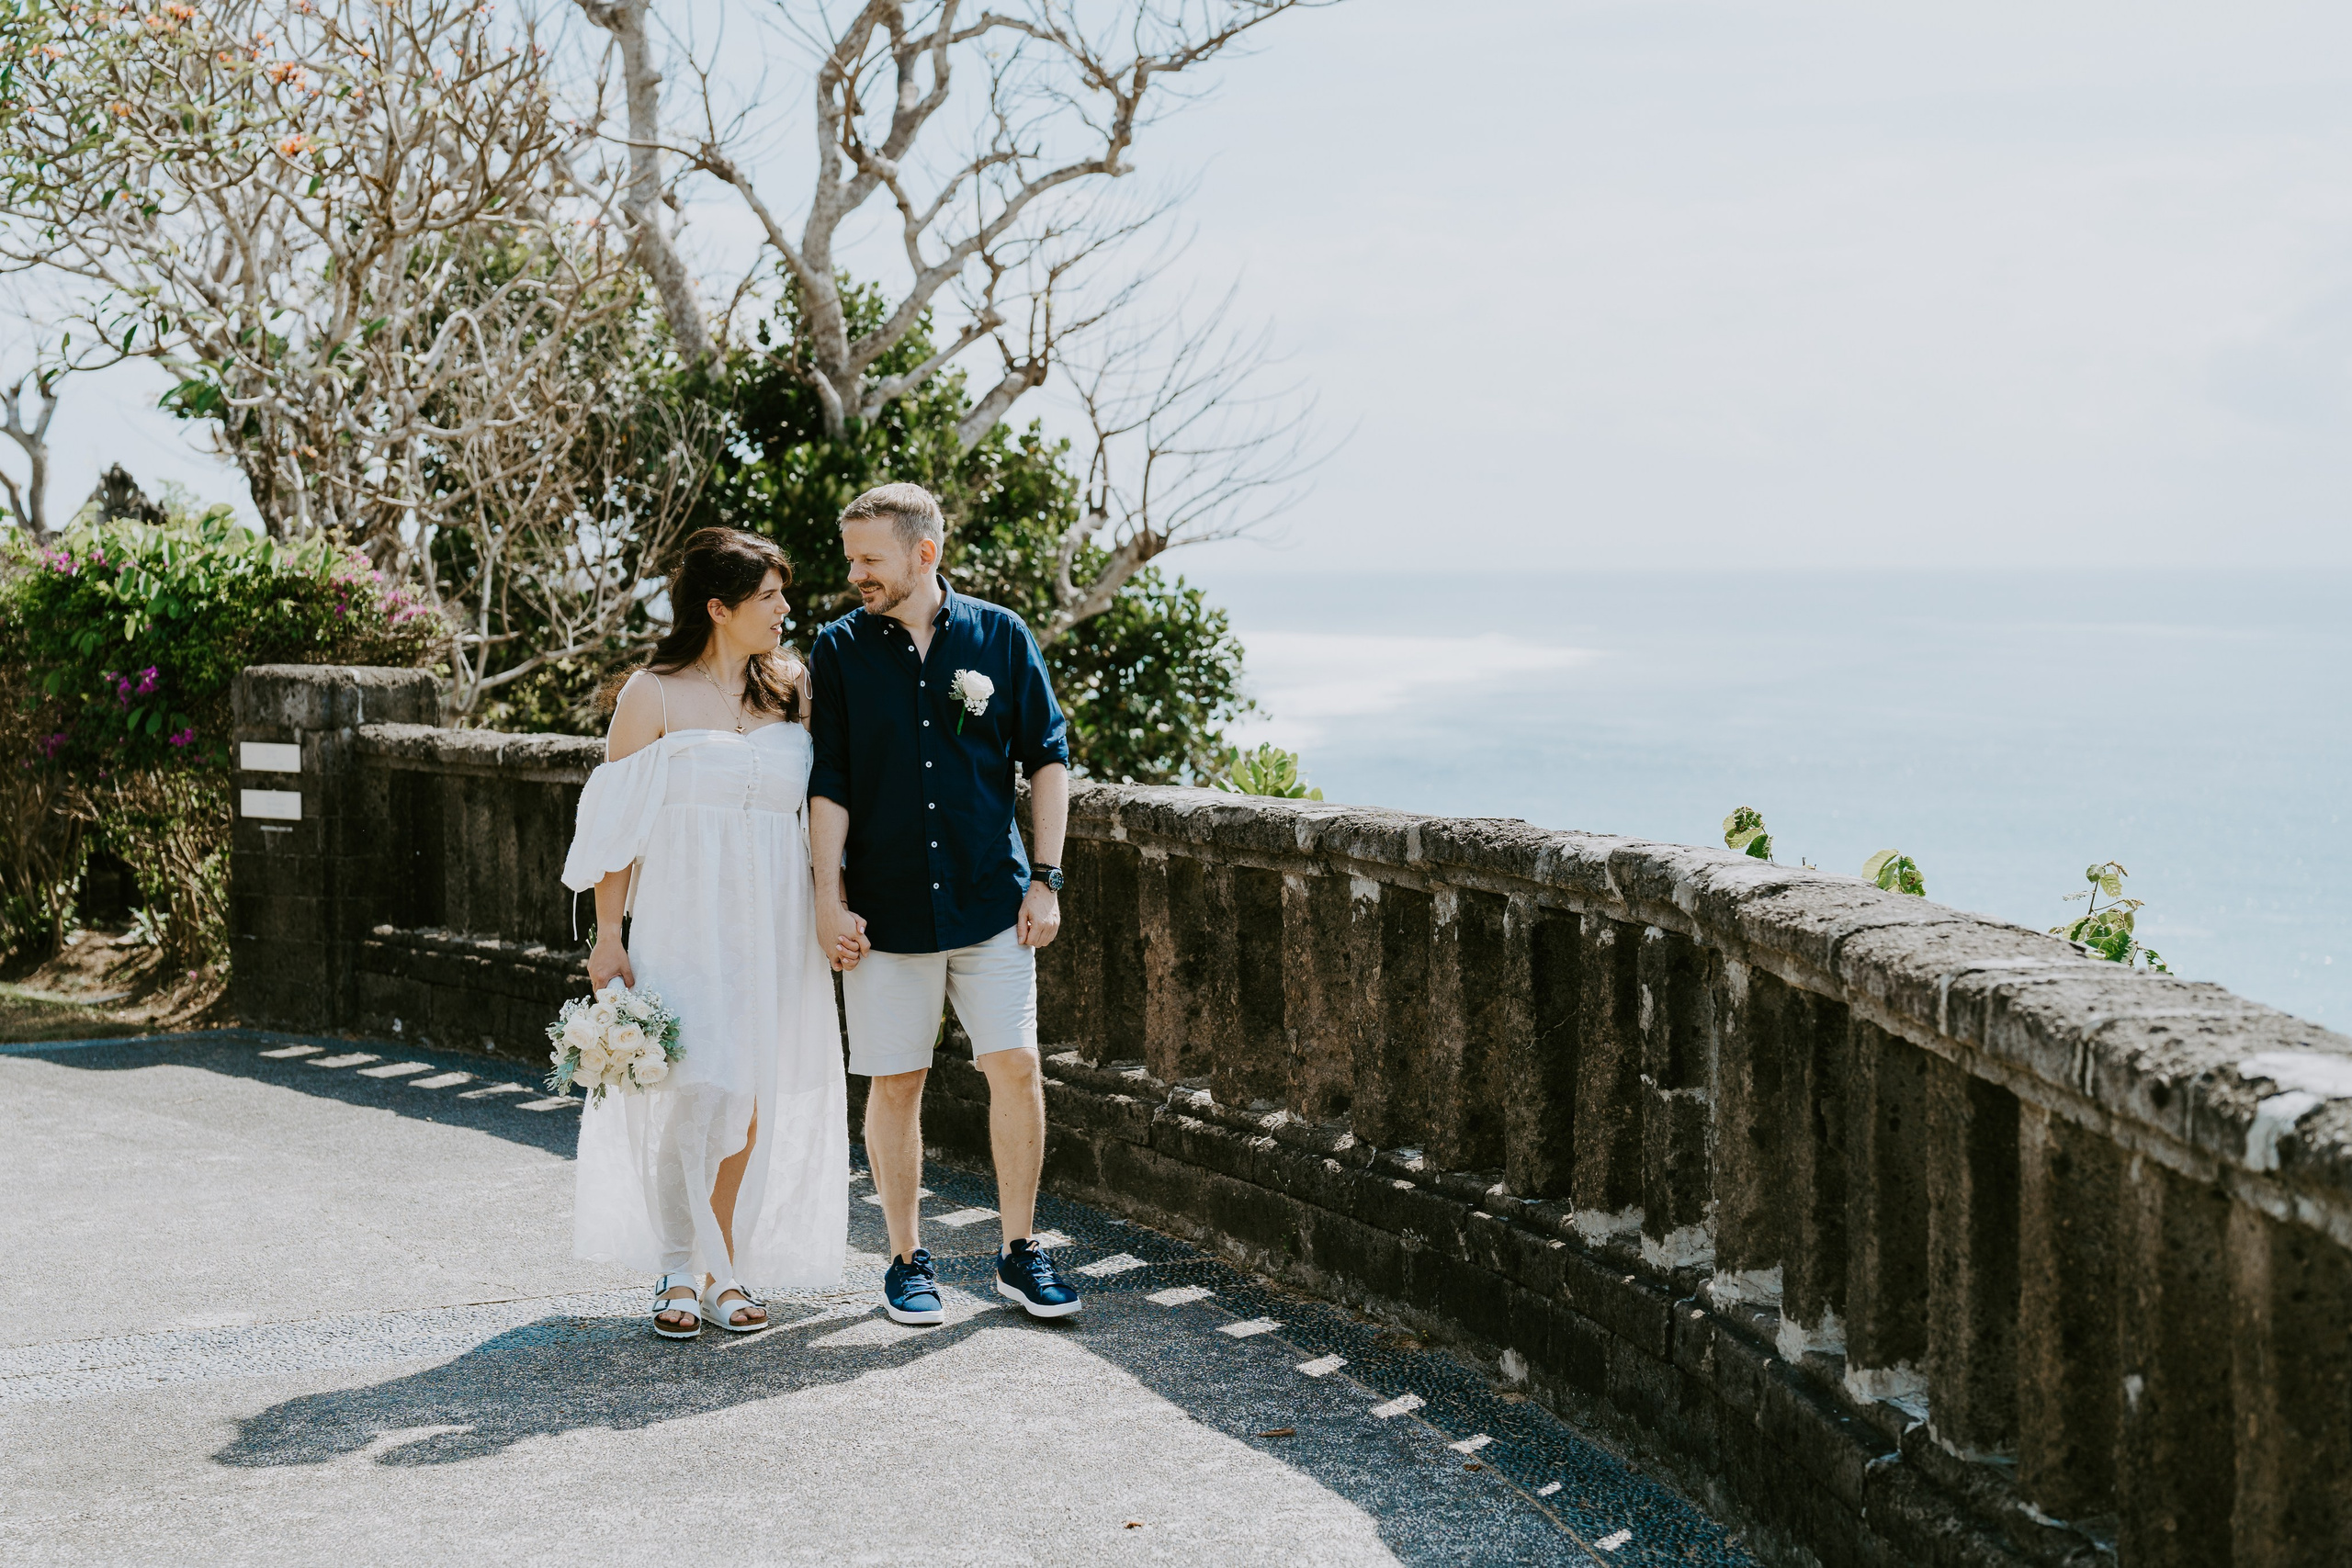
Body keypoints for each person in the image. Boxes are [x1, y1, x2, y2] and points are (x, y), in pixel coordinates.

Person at [561, 527, 861, 1338]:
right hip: (685, 915)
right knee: (692, 1089)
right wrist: (608, 934)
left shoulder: (794, 686)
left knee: (750, 1094)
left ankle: (722, 1258)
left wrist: (835, 902)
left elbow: (827, 804)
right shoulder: (650, 694)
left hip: (775, 919)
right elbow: (614, 828)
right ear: (719, 607)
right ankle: (676, 1267)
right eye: (769, 598)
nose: (785, 610)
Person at [808, 481, 1082, 1325]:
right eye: (852, 558)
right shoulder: (839, 648)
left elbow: (1048, 758)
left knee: (1017, 1066)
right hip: (885, 914)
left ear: (924, 553)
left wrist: (1046, 878)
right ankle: (904, 1257)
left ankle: (1020, 1251)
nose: (856, 573)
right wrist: (830, 899)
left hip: (991, 901)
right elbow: (830, 782)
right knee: (897, 1082)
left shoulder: (1000, 635)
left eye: (870, 559)